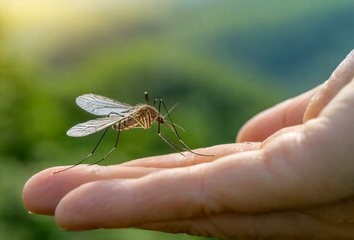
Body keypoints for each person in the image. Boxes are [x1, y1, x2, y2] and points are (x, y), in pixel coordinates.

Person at [23, 50, 354, 239]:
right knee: (113, 134)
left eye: (159, 119)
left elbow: (155, 113)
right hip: (121, 115)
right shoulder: (142, 115)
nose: (159, 120)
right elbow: (132, 115)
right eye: (159, 120)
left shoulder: (153, 113)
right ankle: (97, 156)